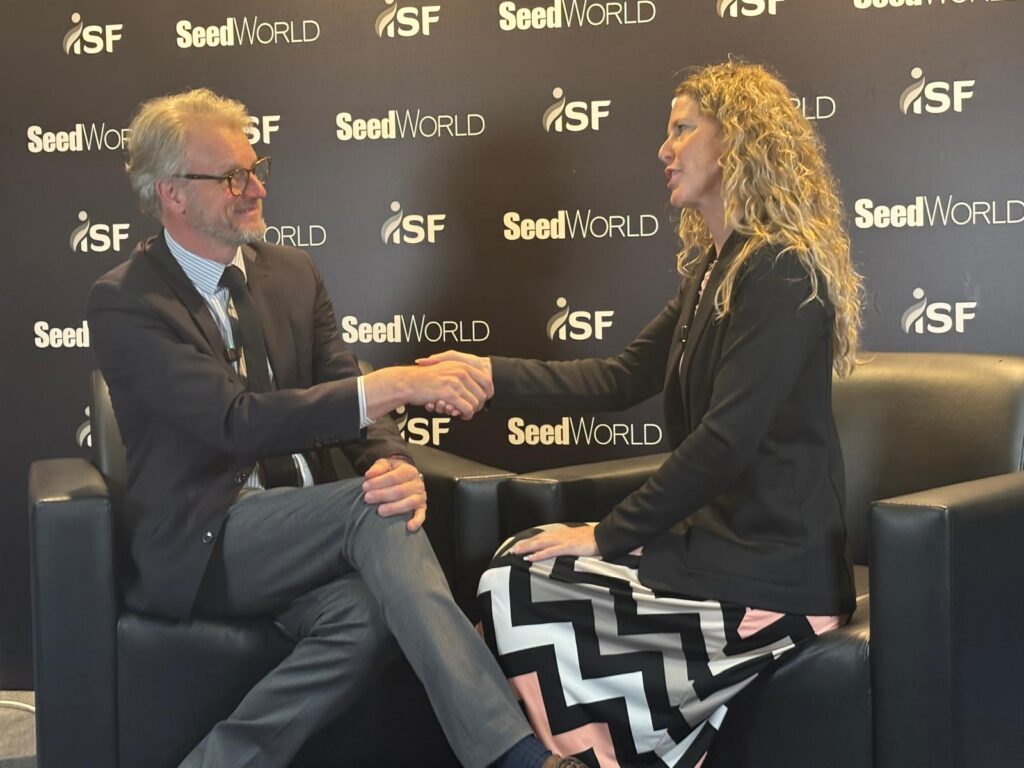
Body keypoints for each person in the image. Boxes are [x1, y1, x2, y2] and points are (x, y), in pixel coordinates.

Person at [87, 88, 584, 768]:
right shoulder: (127, 301)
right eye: (233, 177)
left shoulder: (292, 273)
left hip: (306, 526)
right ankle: (514, 757)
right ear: (173, 193)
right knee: (370, 510)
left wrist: (391, 462)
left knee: (366, 614)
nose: (257, 188)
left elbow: (344, 390)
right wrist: (397, 384)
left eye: (256, 168)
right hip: (206, 541)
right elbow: (234, 423)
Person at [419, 60, 863, 766]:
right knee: (515, 563)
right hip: (716, 553)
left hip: (772, 575)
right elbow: (620, 377)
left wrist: (604, 534)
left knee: (515, 585)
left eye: (683, 130)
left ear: (737, 140)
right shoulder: (714, 271)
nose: (665, 149)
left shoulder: (779, 269)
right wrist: (486, 374)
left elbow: (723, 443)